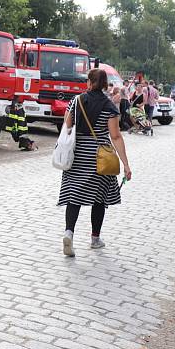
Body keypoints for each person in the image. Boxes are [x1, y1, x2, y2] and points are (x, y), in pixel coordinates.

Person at [59, 68, 132, 257]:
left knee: (73, 196)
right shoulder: (110, 106)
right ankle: (95, 238)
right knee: (99, 198)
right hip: (100, 158)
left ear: (89, 83)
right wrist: (125, 164)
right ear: (105, 84)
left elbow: (67, 125)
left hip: (77, 156)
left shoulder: (76, 101)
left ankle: (69, 233)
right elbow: (115, 136)